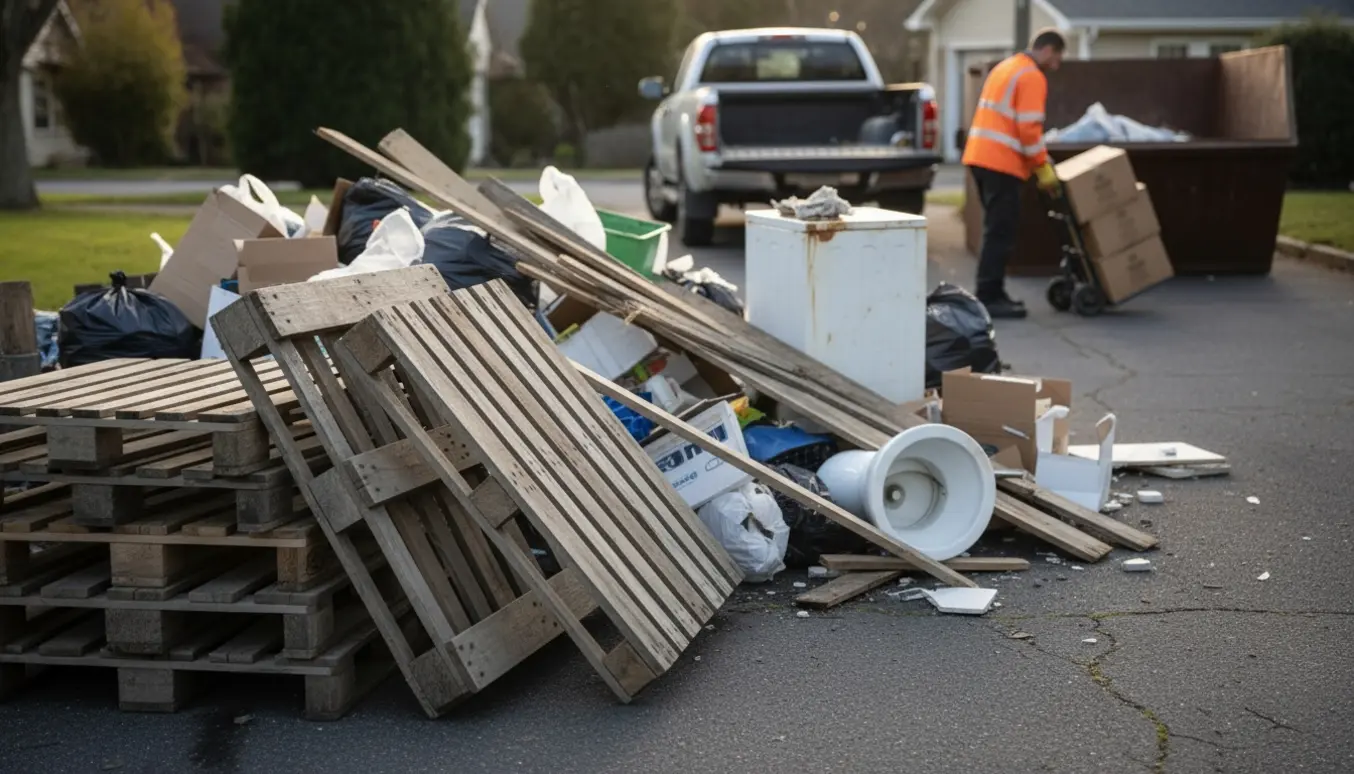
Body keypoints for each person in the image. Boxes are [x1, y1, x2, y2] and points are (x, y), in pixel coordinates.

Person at [962, 29, 1066, 319]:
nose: (1057, 65)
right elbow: (1028, 129)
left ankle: (993, 291)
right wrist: (1042, 167)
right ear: (1048, 50)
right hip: (1001, 163)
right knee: (1001, 231)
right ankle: (989, 296)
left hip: (980, 158)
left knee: (996, 229)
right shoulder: (1031, 76)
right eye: (1057, 57)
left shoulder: (1005, 67)